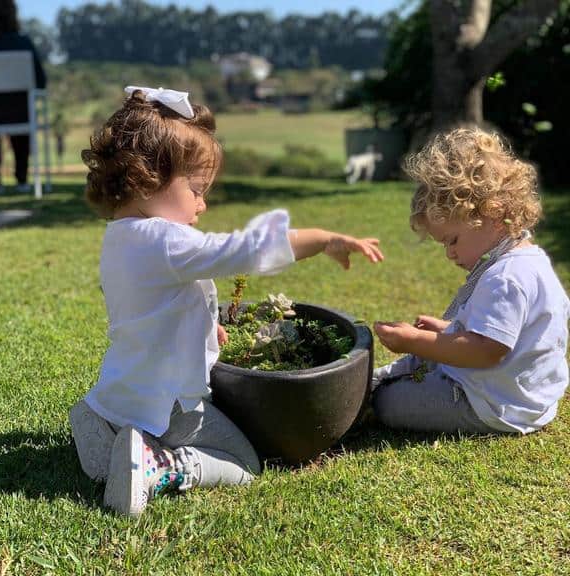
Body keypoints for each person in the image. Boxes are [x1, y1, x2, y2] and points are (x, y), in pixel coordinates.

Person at [69, 86, 384, 517]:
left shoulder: (117, 239)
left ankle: (98, 421)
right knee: (242, 461)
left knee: (119, 423)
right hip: (170, 404)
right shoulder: (166, 239)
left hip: (120, 389)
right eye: (197, 188)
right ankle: (163, 465)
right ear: (148, 177)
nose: (204, 202)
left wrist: (201, 328)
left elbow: (151, 308)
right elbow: (245, 250)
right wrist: (322, 239)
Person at [371, 126, 569, 436]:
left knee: (387, 402)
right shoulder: (527, 260)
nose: (449, 253)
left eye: (452, 240)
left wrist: (412, 341)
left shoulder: (506, 277)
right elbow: (507, 337)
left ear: (491, 213)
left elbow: (486, 351)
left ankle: (375, 389)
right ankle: (384, 377)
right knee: (425, 356)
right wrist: (447, 331)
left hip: (491, 403)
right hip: (521, 394)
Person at [0, 0, 47, 194]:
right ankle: (22, 179)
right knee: (22, 111)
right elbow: (41, 81)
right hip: (22, 114)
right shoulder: (24, 43)